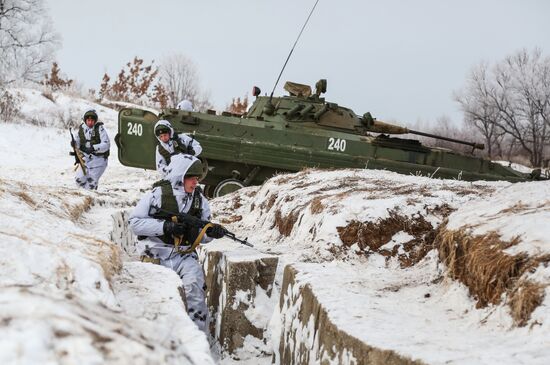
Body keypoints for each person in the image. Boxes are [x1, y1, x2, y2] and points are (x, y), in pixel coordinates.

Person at [128, 155, 225, 332]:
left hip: (184, 255)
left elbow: (203, 232)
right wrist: (165, 226)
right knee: (158, 298)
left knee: (194, 288)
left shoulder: (199, 200)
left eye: (197, 178)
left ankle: (196, 337)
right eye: (192, 178)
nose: (195, 183)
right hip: (155, 255)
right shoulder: (156, 195)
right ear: (181, 175)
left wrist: (210, 233)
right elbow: (134, 224)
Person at [71, 109, 110, 190]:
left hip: (99, 160)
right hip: (85, 159)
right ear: (85, 120)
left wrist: (93, 148)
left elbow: (106, 144)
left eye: (92, 120)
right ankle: (82, 198)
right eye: (88, 120)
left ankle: (90, 199)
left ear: (95, 121)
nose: (90, 122)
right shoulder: (82, 128)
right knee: (79, 180)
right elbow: (77, 140)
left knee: (91, 184)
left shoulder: (100, 129)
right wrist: (74, 143)